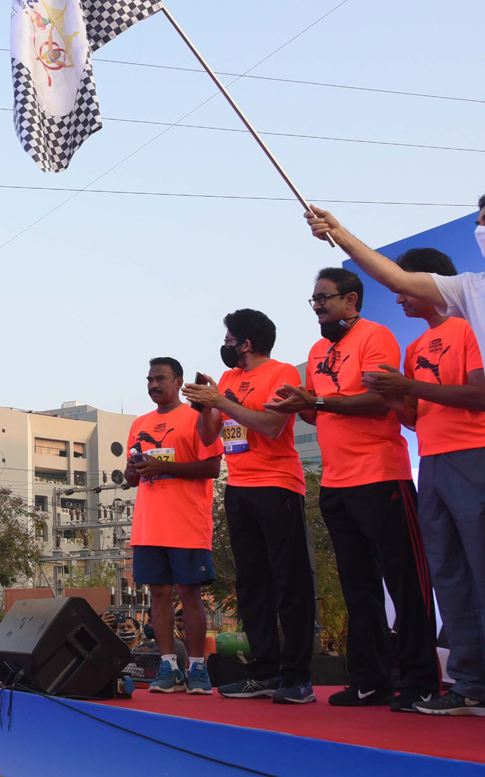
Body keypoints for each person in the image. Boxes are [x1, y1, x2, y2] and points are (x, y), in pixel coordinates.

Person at [266, 268, 440, 711]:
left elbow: (380, 399)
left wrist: (317, 402)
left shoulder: (376, 337)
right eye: (314, 300)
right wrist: (299, 404)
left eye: (325, 297)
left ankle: (422, 681)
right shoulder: (318, 349)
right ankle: (370, 680)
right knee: (357, 586)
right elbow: (317, 412)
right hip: (336, 482)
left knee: (405, 584)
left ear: (352, 301)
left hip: (381, 475)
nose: (319, 306)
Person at [361, 248, 485, 716]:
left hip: (474, 456)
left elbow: (479, 395)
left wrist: (408, 387)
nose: (399, 299)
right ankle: (469, 683)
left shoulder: (471, 326)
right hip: (430, 463)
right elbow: (415, 417)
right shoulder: (416, 348)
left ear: (429, 283)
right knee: (449, 576)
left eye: (404, 288)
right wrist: (392, 394)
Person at [184, 309, 317, 704]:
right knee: (252, 584)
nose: (224, 345)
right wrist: (207, 406)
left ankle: (298, 676)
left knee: (289, 582)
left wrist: (221, 400)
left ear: (246, 343)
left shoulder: (281, 374)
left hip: (278, 485)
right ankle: (264, 671)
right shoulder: (227, 379)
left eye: (229, 339)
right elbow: (210, 436)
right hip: (239, 487)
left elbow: (272, 426)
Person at [126, 357, 224, 694]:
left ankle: (197, 668)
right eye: (149, 379)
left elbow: (212, 467)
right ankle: (168, 666)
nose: (154, 385)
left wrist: (162, 467)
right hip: (148, 525)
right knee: (158, 593)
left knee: (190, 593)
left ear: (179, 382)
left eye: (161, 379)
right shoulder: (139, 423)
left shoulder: (197, 417)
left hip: (187, 522)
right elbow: (131, 477)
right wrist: (136, 468)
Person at [305, 201, 485, 359]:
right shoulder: (469, 288)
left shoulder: (463, 330)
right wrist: (339, 234)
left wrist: (410, 387)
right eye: (479, 223)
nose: (480, 230)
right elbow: (397, 280)